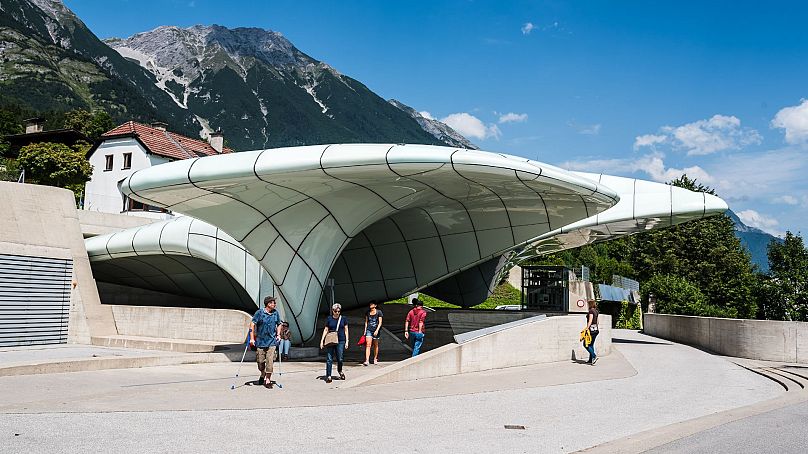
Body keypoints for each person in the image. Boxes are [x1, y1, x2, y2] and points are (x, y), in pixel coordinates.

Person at [250, 296, 282, 388]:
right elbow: (252, 324)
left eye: (274, 303)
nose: (275, 304)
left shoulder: (275, 313)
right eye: (273, 303)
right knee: (260, 362)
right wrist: (252, 338)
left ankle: (267, 380)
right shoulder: (259, 313)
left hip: (271, 341)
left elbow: (279, 324)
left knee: (270, 361)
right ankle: (262, 374)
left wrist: (278, 335)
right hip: (260, 341)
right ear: (268, 304)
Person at [320, 303, 349, 383]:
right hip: (331, 340)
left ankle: (340, 370)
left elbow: (346, 330)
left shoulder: (343, 318)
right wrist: (322, 340)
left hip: (341, 340)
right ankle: (328, 376)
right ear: (333, 311)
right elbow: (326, 330)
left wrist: (347, 341)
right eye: (336, 311)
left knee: (340, 358)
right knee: (329, 358)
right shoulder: (329, 319)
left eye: (339, 311)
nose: (337, 313)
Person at [362, 301, 383, 366]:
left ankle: (375, 358)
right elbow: (366, 322)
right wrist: (365, 331)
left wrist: (377, 330)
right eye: (370, 304)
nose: (370, 305)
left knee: (375, 345)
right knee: (368, 344)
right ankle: (367, 360)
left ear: (375, 305)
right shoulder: (368, 313)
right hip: (369, 330)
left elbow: (380, 323)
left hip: (376, 330)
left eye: (372, 304)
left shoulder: (379, 312)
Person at [584, 299, 600, 365]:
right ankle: (590, 360)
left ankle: (594, 356)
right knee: (591, 344)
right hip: (596, 330)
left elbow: (590, 321)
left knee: (585, 344)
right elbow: (598, 322)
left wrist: (586, 329)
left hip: (591, 330)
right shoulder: (596, 311)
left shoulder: (591, 311)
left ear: (590, 304)